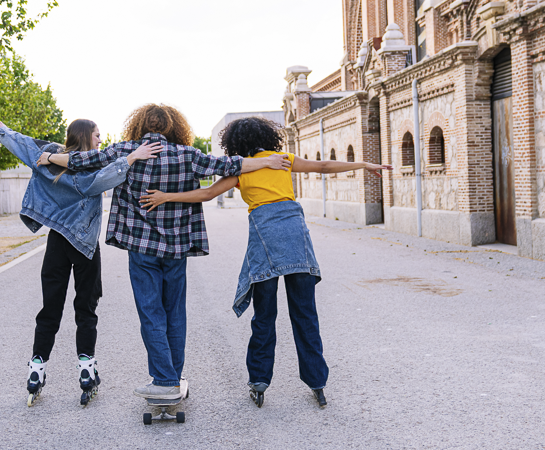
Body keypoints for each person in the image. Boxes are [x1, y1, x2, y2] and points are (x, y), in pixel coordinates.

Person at [39, 104, 291, 400]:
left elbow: (83, 160)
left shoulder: (126, 150)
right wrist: (268, 162)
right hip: (176, 248)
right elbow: (230, 165)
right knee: (175, 312)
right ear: (174, 127)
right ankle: (173, 376)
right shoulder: (187, 155)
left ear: (139, 125)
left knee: (151, 313)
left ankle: (164, 379)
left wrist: (48, 156)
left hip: (141, 247)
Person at [139, 116, 392, 407]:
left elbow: (207, 194)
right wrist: (364, 165)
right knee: (305, 314)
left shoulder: (242, 170)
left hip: (265, 241)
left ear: (235, 144)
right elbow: (323, 167)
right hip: (296, 238)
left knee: (264, 316)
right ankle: (317, 381)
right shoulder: (281, 159)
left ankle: (259, 381)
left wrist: (165, 196)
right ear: (267, 137)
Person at [0, 115, 162, 406]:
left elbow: (27, 147)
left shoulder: (51, 156)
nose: (100, 141)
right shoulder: (91, 165)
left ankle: (36, 369)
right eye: (97, 136)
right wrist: (132, 157)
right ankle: (86, 369)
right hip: (84, 247)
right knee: (86, 308)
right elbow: (103, 181)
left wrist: (6, 132)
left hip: (57, 243)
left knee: (50, 310)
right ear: (85, 136)